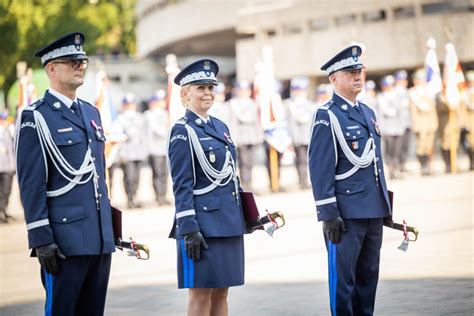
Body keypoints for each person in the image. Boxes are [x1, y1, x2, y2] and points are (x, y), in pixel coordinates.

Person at [15, 32, 114, 315]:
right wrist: (41, 238)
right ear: (51, 69)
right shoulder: (36, 117)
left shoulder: (90, 111)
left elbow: (98, 177)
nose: (80, 65)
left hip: (98, 237)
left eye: (82, 60)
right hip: (64, 239)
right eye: (72, 61)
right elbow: (31, 183)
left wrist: (109, 229)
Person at [308, 45, 391, 316]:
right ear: (334, 79)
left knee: (368, 279)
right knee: (343, 283)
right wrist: (328, 213)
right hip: (345, 214)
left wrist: (385, 208)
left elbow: (376, 164)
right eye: (350, 72)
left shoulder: (367, 112)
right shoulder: (327, 115)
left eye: (359, 71)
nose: (358, 76)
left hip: (373, 210)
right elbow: (320, 168)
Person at [167, 59, 247, 316]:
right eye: (200, 88)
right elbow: (181, 184)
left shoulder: (220, 127)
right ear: (185, 93)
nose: (207, 93)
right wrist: (188, 228)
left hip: (228, 222)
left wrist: (248, 214)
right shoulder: (182, 131)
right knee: (201, 293)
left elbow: (230, 177)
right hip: (202, 226)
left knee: (223, 291)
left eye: (211, 88)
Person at [229, 80, 264, 191]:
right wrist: (233, 138)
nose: (243, 92)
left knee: (250, 162)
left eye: (245, 90)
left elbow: (257, 122)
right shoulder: (233, 104)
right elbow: (232, 123)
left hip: (251, 136)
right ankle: (245, 184)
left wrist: (259, 135)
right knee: (243, 162)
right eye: (241, 90)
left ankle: (250, 183)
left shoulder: (253, 103)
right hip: (240, 137)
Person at [116, 93, 147, 208]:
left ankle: (135, 197)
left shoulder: (140, 117)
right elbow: (119, 134)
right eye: (128, 104)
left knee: (137, 177)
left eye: (132, 104)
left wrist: (145, 150)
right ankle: (129, 199)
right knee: (129, 176)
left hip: (138, 151)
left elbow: (143, 135)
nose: (130, 106)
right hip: (127, 152)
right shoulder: (120, 118)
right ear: (124, 105)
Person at [284, 76, 315, 189]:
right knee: (301, 161)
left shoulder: (310, 104)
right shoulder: (289, 105)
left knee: (313, 161)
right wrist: (291, 138)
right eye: (296, 90)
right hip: (297, 138)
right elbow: (288, 123)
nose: (299, 92)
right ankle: (303, 181)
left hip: (310, 137)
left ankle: (312, 180)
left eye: (301, 90)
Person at [408, 69, 438, 176]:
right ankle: (423, 167)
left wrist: (434, 122)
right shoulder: (412, 92)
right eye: (420, 79)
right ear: (415, 81)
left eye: (423, 79)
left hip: (430, 122)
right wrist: (415, 125)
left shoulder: (428, 91)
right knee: (421, 146)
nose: (422, 81)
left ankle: (428, 167)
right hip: (420, 123)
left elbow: (432, 109)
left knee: (429, 145)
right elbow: (414, 110)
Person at [144, 89, 170, 205]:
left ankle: (164, 195)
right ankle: (159, 196)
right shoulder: (149, 114)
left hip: (164, 149)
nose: (163, 102)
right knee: (158, 173)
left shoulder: (165, 113)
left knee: (165, 174)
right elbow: (157, 130)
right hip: (154, 149)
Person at [377, 75, 405, 179]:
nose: (389, 87)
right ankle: (391, 170)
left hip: (398, 128)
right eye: (387, 85)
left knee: (397, 151)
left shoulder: (397, 95)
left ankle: (396, 169)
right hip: (387, 129)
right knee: (389, 151)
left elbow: (401, 110)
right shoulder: (381, 97)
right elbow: (388, 112)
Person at [393, 70, 412, 173]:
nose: (404, 81)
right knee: (397, 148)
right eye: (401, 80)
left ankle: (403, 165)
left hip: (407, 122)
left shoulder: (406, 91)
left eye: (404, 79)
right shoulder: (395, 91)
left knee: (406, 146)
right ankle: (396, 166)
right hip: (398, 124)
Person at [0, 112, 15, 223]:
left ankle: (3, 211)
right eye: (4, 120)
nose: (6, 122)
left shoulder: (7, 132)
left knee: (7, 191)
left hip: (8, 168)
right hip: (1, 167)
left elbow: (11, 150)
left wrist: (13, 166)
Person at [461, 70, 474, 170]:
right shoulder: (464, 94)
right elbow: (463, 110)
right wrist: (465, 123)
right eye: (470, 81)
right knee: (471, 143)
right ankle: (472, 162)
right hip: (470, 121)